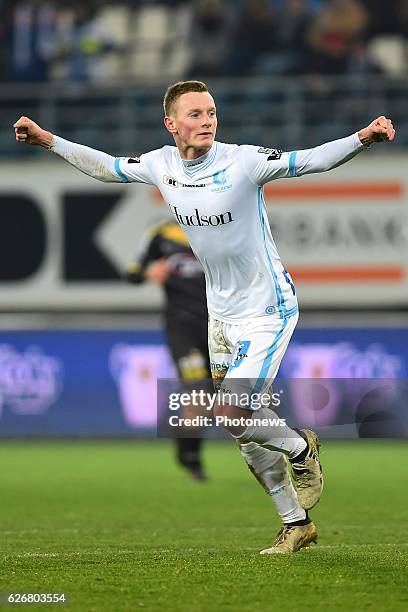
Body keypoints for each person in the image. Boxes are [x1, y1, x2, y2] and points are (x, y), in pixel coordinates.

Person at [13, 80, 395, 554]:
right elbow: (107, 168)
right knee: (245, 431)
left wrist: (362, 138)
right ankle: (296, 523)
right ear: (171, 124)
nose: (207, 121)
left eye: (211, 112)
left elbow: (309, 159)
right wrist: (49, 140)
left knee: (232, 411)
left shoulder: (244, 161)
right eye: (195, 114)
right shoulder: (160, 164)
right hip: (222, 315)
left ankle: (301, 448)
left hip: (266, 309)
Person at [125, 219, 210, 481]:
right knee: (198, 390)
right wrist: (148, 271)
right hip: (182, 326)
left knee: (224, 398)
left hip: (220, 324)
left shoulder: (220, 224)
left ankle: (188, 450)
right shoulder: (161, 234)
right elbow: (132, 272)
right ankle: (190, 457)